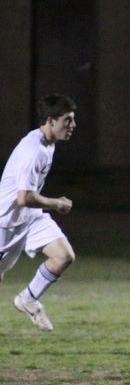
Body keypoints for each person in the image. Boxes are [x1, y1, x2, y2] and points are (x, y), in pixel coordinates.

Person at [1, 94, 78, 332]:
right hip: (6, 222)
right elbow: (23, 198)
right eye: (67, 120)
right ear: (51, 121)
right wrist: (56, 203)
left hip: (30, 217)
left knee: (63, 256)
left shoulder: (47, 143)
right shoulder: (33, 150)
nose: (73, 125)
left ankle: (28, 299)